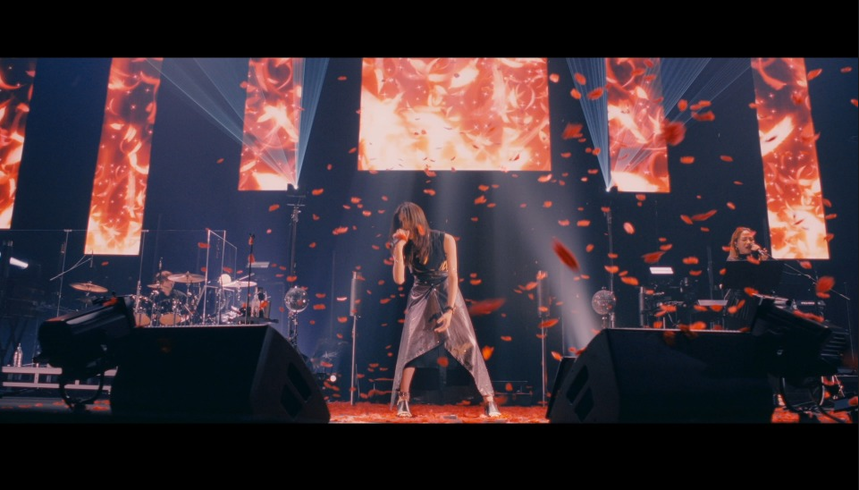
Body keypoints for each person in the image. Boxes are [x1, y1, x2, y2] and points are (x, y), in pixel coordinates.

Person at [388, 202, 501, 418]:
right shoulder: (402, 244)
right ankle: (404, 399)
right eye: (400, 224)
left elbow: (453, 276)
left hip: (446, 291)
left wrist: (449, 310)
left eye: (406, 223)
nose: (403, 228)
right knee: (412, 344)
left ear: (416, 221)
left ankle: (489, 399)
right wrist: (399, 249)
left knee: (467, 343)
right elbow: (400, 279)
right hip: (420, 293)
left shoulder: (445, 239)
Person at [723, 227, 770, 330]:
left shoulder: (755, 258)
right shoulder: (733, 260)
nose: (749, 242)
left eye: (751, 239)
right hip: (739, 307)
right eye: (744, 239)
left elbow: (764, 283)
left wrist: (764, 263)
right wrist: (757, 259)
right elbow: (745, 279)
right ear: (736, 243)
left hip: (755, 306)